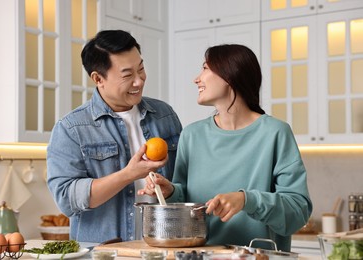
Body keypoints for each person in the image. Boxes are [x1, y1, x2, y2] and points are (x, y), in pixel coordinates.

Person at [138, 44, 312, 252]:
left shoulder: (275, 133)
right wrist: (170, 191)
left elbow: (297, 212)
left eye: (205, 68)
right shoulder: (192, 135)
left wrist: (247, 200)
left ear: (230, 75)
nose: (197, 78)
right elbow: (187, 204)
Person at [46, 30, 182, 243]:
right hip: (103, 253)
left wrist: (171, 189)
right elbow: (66, 199)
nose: (139, 81)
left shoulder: (164, 115)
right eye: (128, 75)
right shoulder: (72, 128)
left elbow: (184, 183)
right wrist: (128, 174)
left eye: (141, 69)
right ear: (98, 78)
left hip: (162, 249)